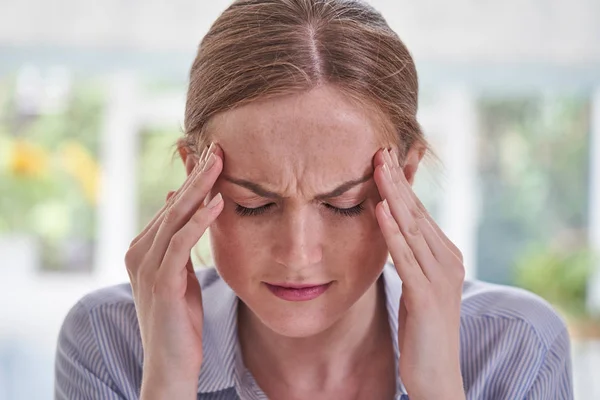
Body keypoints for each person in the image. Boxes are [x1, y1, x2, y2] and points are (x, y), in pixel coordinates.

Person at [54, 0, 573, 399]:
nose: (299, 255)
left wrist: (436, 384)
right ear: (196, 179)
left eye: (343, 204)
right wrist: (166, 380)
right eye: (252, 205)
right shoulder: (110, 340)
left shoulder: (515, 347)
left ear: (406, 178)